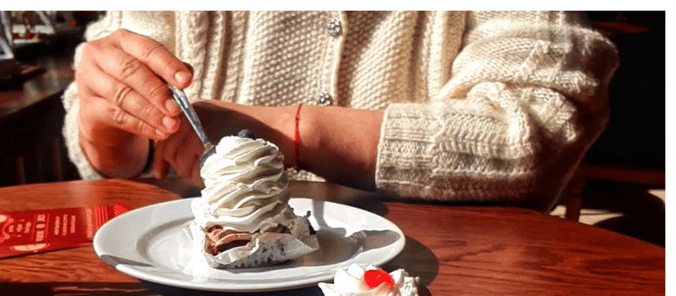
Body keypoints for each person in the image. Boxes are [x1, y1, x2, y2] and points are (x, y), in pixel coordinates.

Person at [62, 11, 618, 211]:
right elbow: (113, 165)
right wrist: (105, 124)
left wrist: (288, 132)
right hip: (187, 276)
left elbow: (535, 129)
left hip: (422, 295)